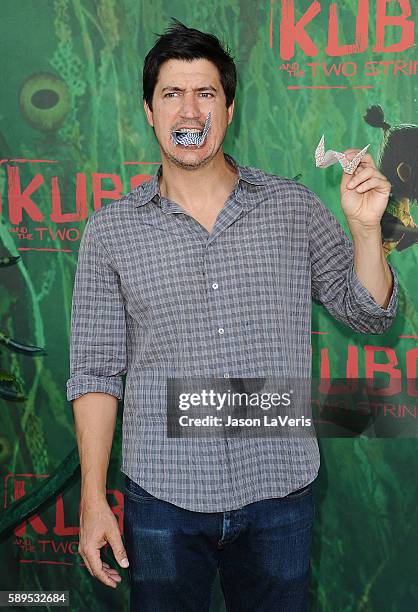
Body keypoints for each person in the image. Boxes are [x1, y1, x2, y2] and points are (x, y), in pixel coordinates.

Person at [66, 18, 398, 612]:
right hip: (162, 497)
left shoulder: (292, 207)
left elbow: (369, 315)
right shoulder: (109, 233)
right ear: (149, 110)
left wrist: (367, 232)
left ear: (229, 106)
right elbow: (94, 371)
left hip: (280, 493)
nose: (189, 111)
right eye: (172, 94)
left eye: (205, 93)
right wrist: (93, 498)